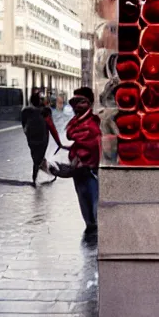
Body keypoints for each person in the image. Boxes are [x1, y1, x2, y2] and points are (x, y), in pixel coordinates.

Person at [53, 87, 101, 235]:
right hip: (79, 170)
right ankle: (91, 226)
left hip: (89, 169)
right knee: (84, 201)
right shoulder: (76, 123)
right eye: (74, 102)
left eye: (81, 102)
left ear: (90, 103)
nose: (76, 106)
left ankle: (94, 228)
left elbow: (92, 144)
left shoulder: (92, 125)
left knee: (92, 202)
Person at [21, 90, 65, 187]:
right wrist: (59, 143)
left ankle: (36, 176)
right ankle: (41, 174)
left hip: (31, 139)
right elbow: (51, 127)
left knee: (36, 158)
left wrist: (28, 135)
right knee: (39, 158)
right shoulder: (45, 111)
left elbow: (24, 126)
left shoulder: (25, 111)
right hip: (42, 139)